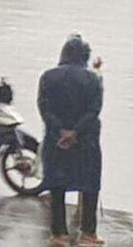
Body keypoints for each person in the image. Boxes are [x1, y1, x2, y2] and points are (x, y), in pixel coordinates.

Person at [38, 34, 104, 247]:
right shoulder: (93, 79)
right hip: (86, 141)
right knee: (89, 185)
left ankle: (58, 234)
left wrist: (60, 130)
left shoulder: (48, 77)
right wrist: (76, 132)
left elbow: (44, 107)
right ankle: (88, 234)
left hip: (55, 141)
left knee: (57, 185)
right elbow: (94, 110)